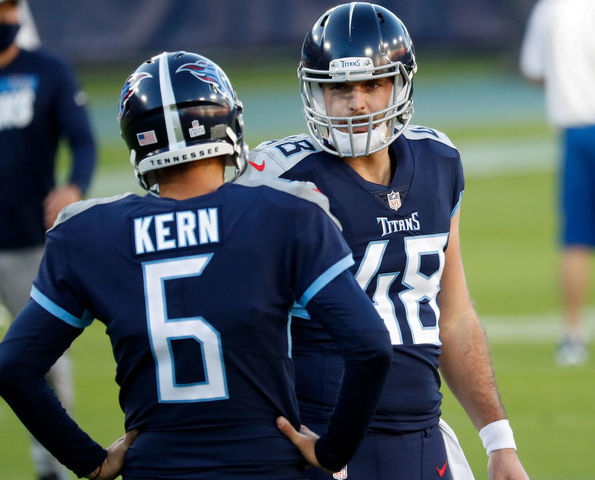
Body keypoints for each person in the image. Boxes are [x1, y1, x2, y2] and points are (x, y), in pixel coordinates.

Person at [0, 50, 393, 480]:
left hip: (157, 468)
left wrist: (88, 460)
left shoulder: (87, 234)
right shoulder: (288, 214)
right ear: (227, 122)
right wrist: (334, 450)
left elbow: (15, 366)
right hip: (267, 467)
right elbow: (370, 345)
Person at [237, 3, 530, 479]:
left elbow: (453, 316)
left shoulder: (439, 161)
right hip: (319, 440)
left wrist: (499, 440)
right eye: (340, 89)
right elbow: (236, 323)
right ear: (315, 92)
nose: (357, 103)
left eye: (372, 85)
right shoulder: (278, 180)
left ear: (400, 84)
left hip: (420, 434)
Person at [0, 0, 96, 478]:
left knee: (43, 362)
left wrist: (74, 186)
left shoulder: (47, 70)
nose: (6, 17)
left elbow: (83, 140)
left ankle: (51, 466)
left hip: (27, 245)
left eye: (11, 7)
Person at [520, 0, 595, 365]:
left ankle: (573, 336)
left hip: (577, 130)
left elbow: (533, 69)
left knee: (576, 238)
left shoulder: (552, 8)